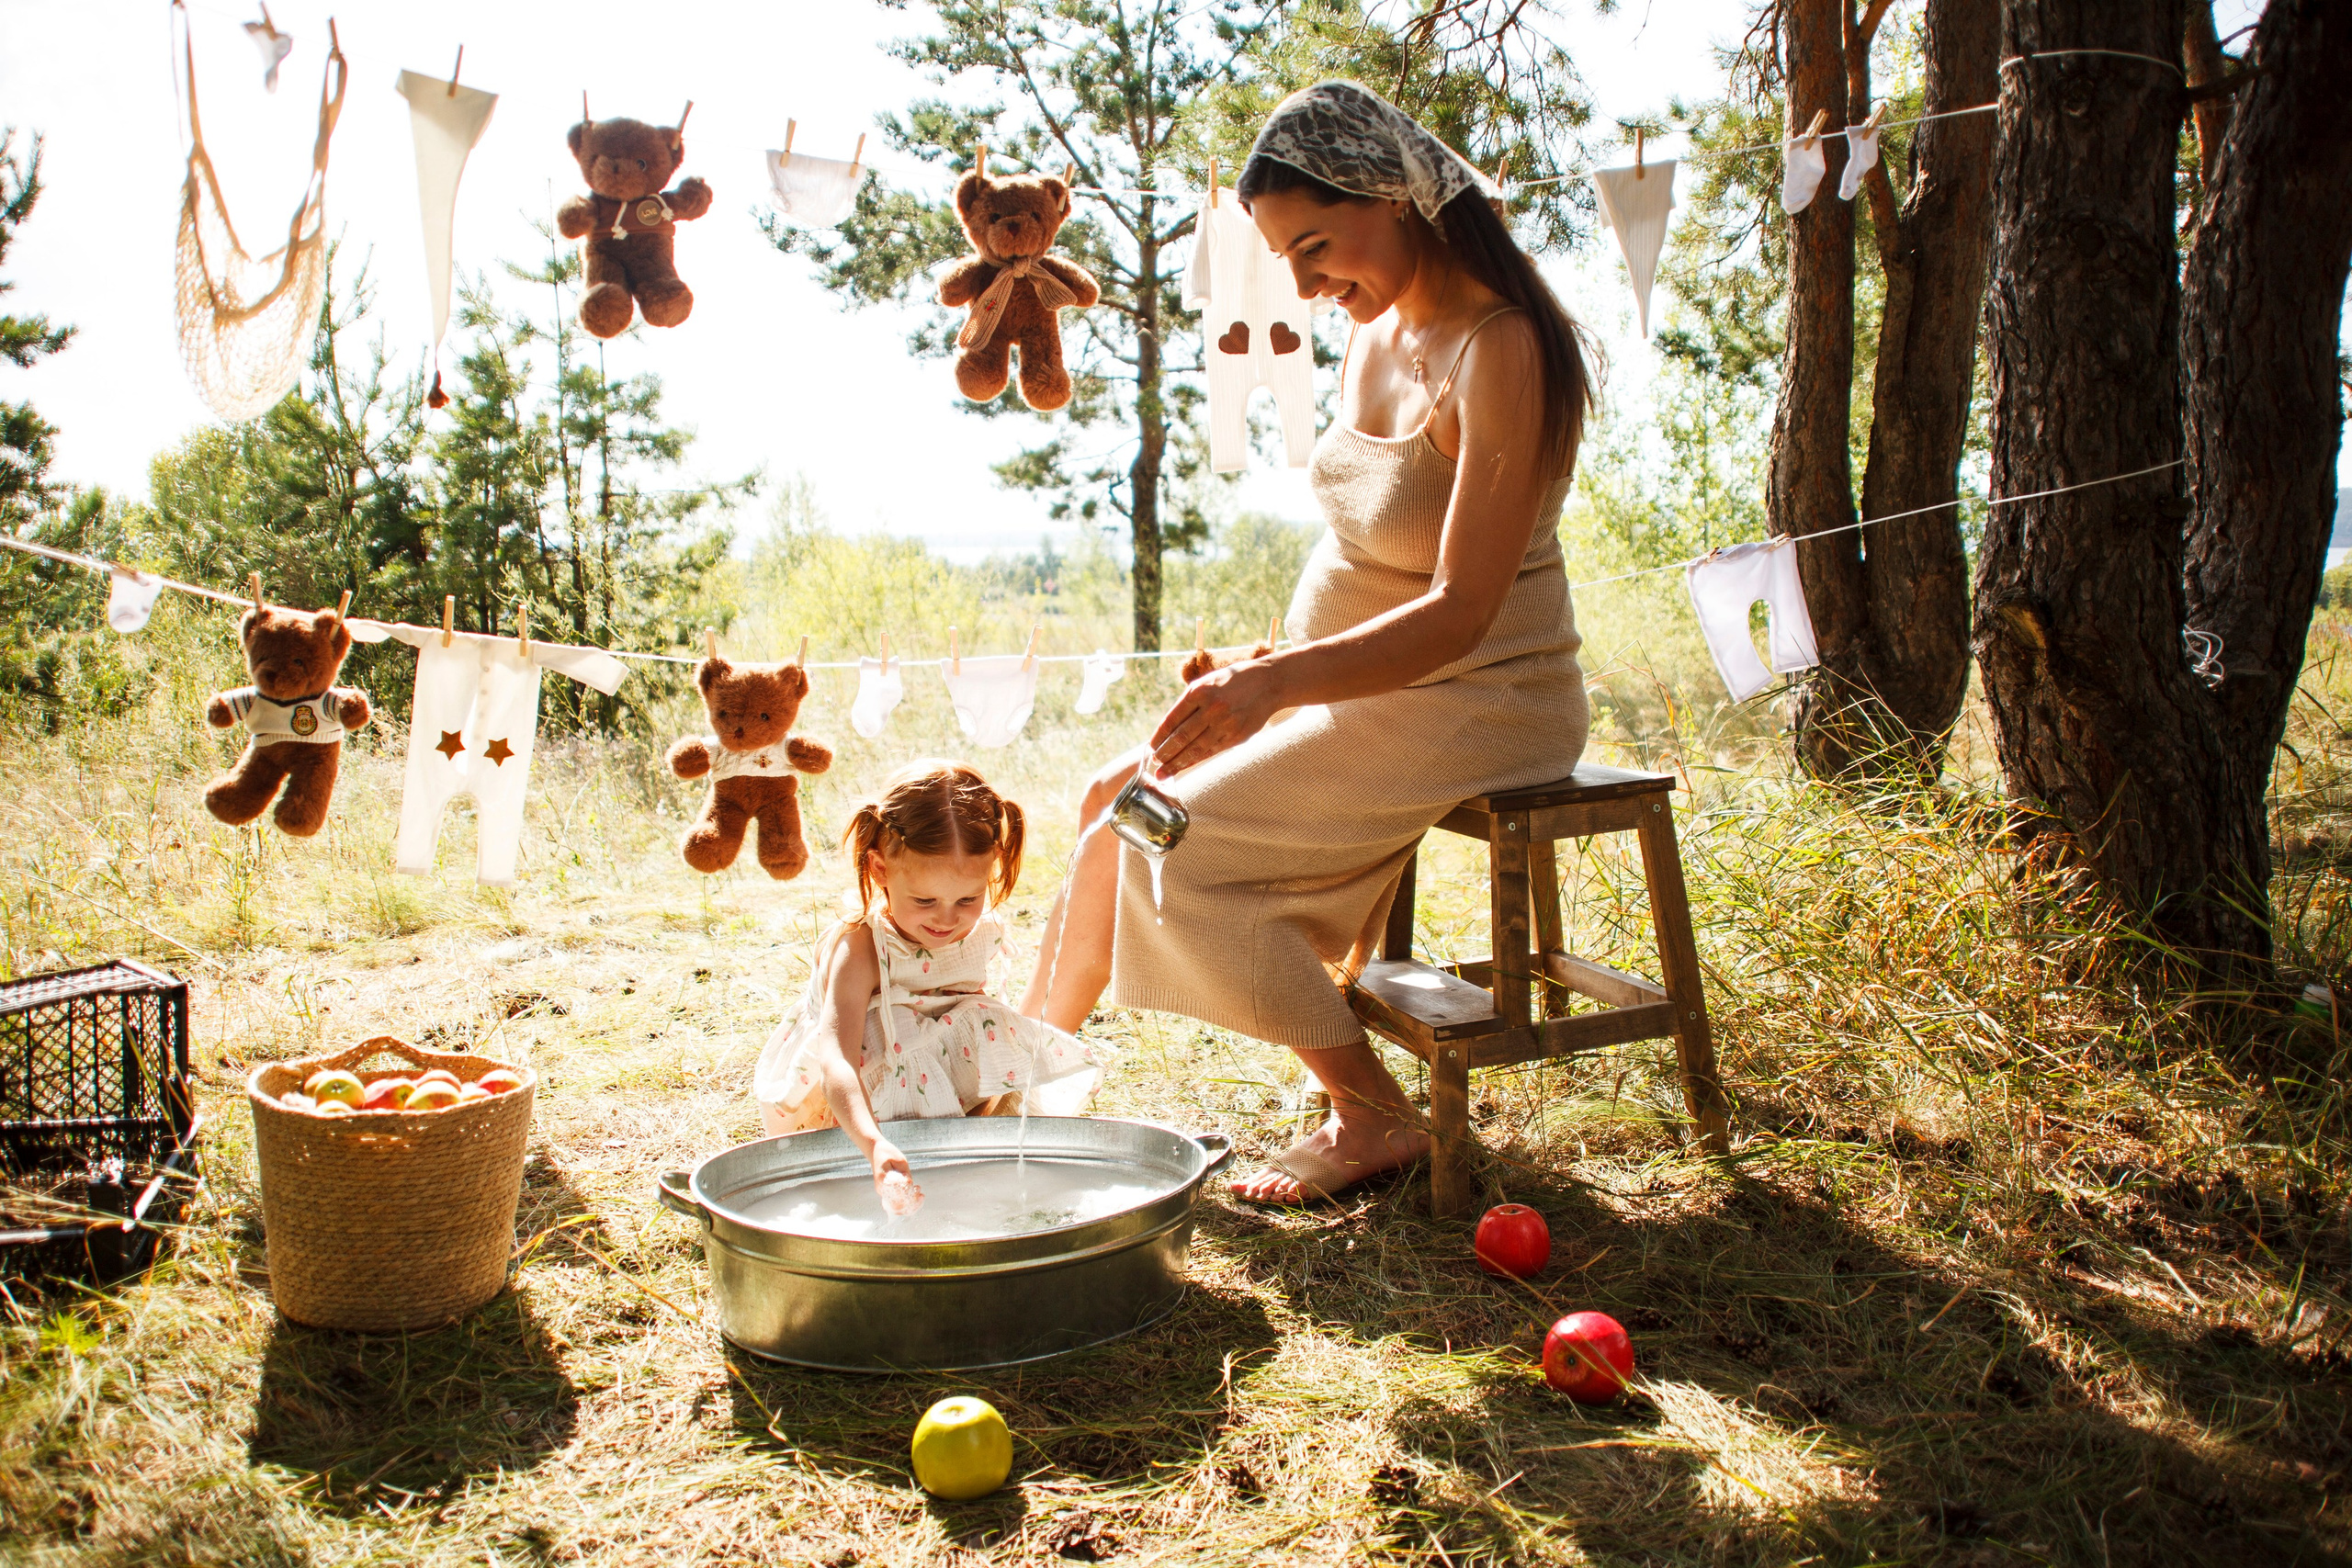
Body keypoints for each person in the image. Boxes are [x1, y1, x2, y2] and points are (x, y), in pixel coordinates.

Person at [1019, 80, 1597, 1204]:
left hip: (1484, 693)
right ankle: (1020, 1078)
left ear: (1395, 199)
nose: (1302, 282)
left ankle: (1371, 1116)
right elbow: (1367, 546)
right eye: (1285, 256)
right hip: (1355, 687)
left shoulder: (1501, 348)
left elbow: (1459, 609)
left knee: (1164, 839)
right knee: (1110, 796)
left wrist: (1277, 684)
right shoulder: (1376, 333)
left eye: (1317, 245)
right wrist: (1267, 674)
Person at [756, 760, 1109, 1213]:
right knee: (846, 1198)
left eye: (968, 898)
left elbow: (962, 1030)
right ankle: (880, 1165)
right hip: (858, 1090)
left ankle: (955, 1166)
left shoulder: (978, 930)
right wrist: (874, 1144)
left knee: (984, 1034)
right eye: (925, 900)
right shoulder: (861, 946)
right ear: (880, 870)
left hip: (932, 1067)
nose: (947, 919)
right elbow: (837, 1061)